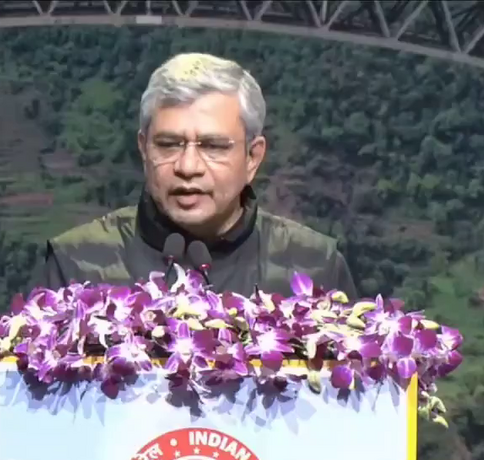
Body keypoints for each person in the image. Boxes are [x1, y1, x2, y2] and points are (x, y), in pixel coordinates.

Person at [28, 52, 358, 299]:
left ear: (252, 157)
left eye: (213, 146)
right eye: (169, 145)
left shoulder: (315, 265)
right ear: (144, 149)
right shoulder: (76, 263)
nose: (188, 167)